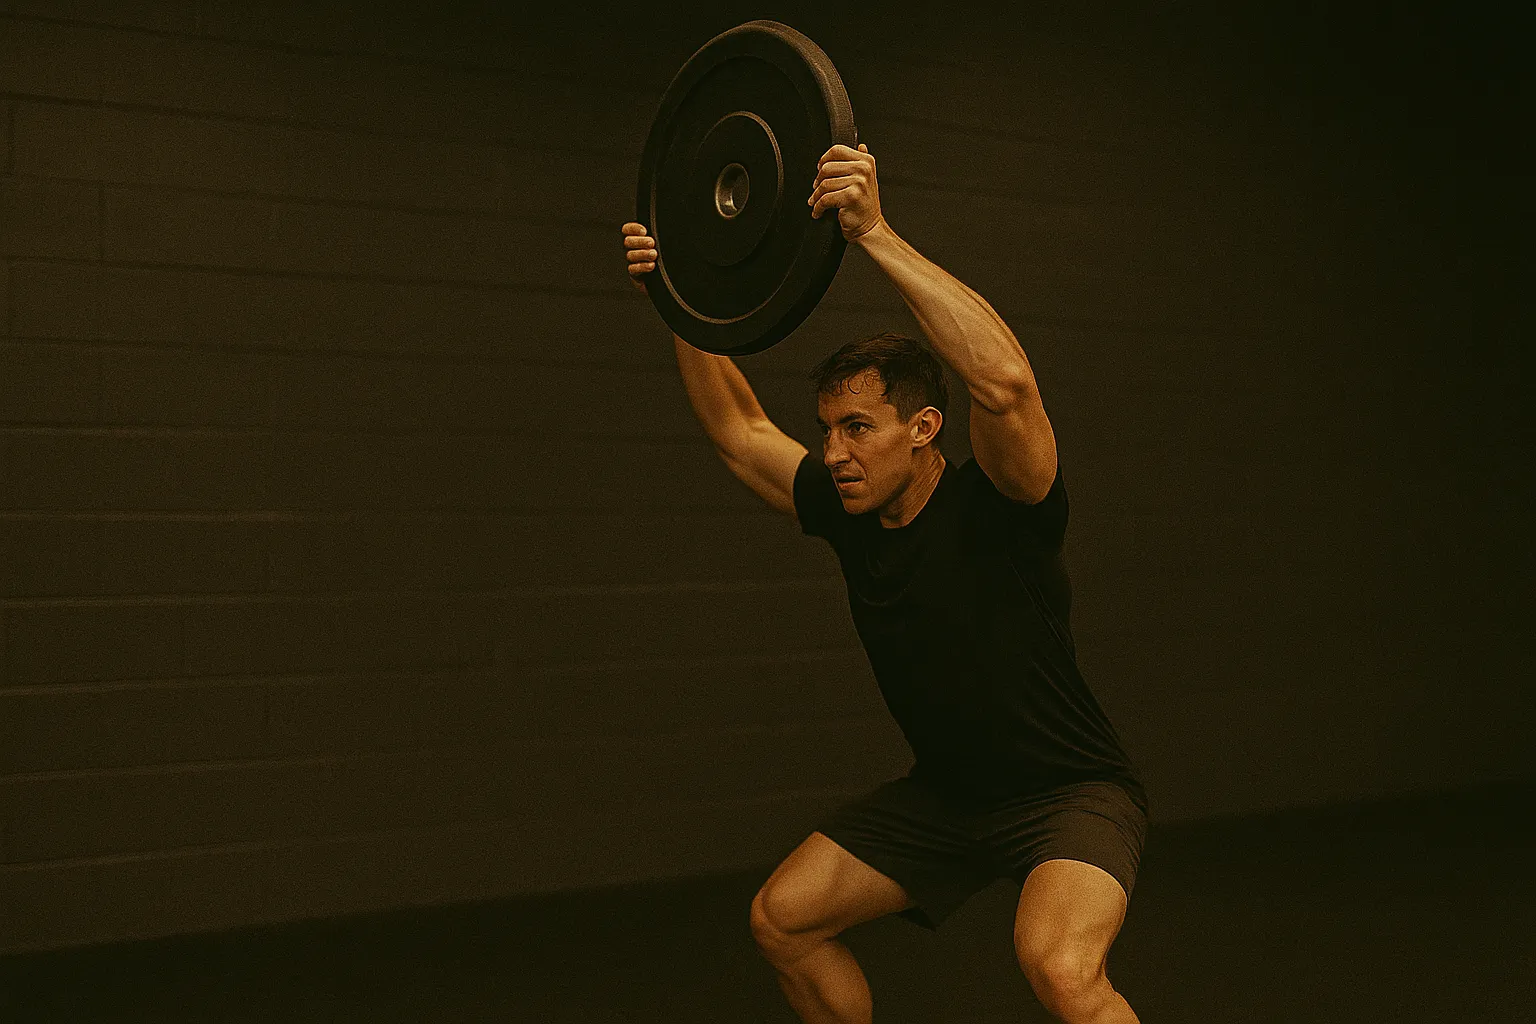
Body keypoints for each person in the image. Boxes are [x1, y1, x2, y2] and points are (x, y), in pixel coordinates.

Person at [619, 143, 1147, 1024]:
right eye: (827, 429)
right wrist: (681, 302)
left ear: (924, 428)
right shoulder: (848, 508)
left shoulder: (1005, 504)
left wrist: (874, 231)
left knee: (1058, 966)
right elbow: (738, 430)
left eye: (858, 427)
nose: (834, 453)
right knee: (782, 920)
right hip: (947, 795)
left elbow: (1008, 384)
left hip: (1068, 792)